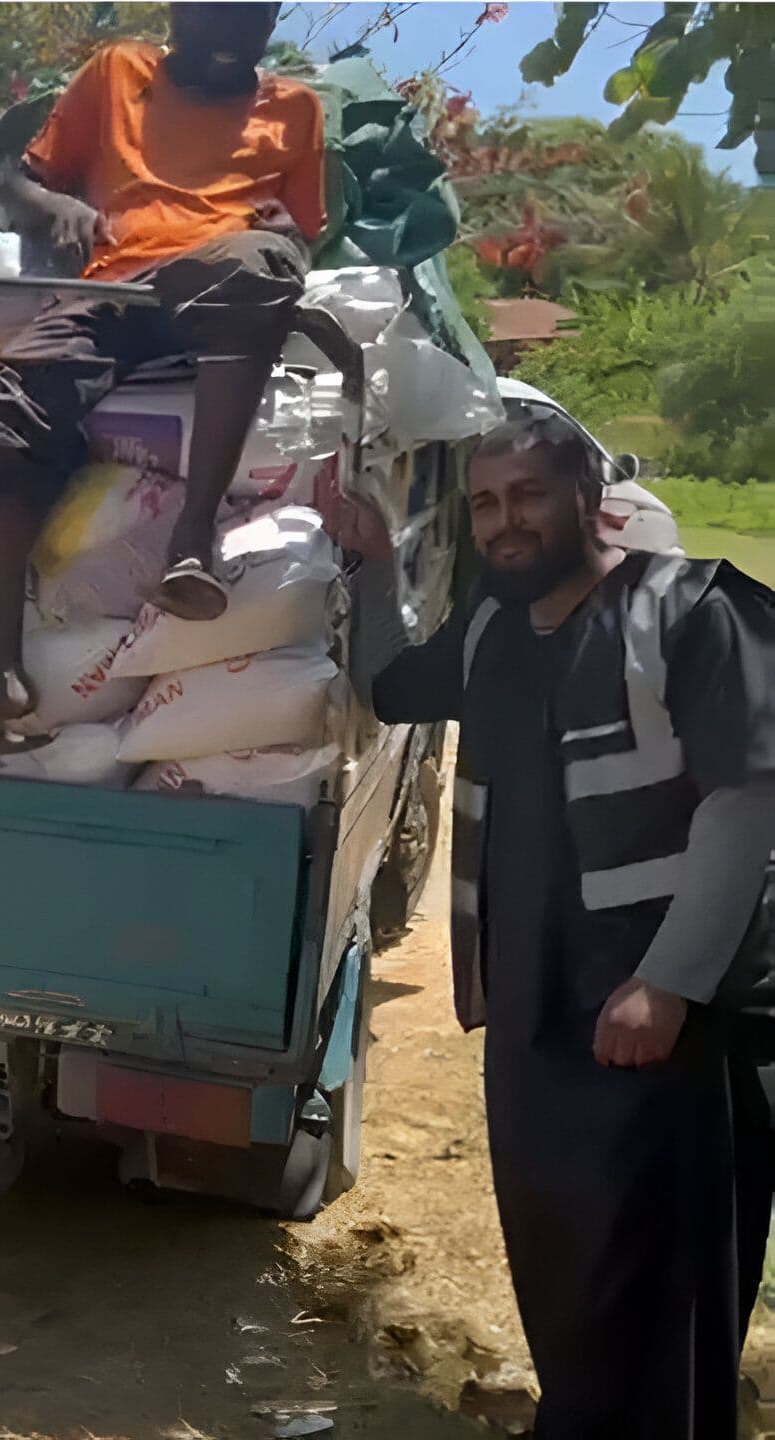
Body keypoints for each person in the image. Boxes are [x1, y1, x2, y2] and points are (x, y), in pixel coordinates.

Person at [323, 406, 775, 1439]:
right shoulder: (494, 627)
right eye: (486, 504)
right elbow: (392, 688)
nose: (505, 522)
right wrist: (375, 560)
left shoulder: (697, 608)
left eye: (527, 495)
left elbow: (749, 796)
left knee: (668, 1285)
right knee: (564, 1261)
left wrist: (671, 980)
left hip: (669, 1030)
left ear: (590, 497)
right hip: (538, 1017)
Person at [0, 1, 326, 754]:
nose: (234, 38)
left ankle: (193, 540)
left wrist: (280, 233)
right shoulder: (116, 72)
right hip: (113, 287)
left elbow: (299, 233)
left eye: (253, 23)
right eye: (219, 19)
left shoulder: (296, 109)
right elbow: (19, 181)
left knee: (259, 265)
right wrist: (59, 204)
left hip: (220, 271)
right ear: (178, 14)